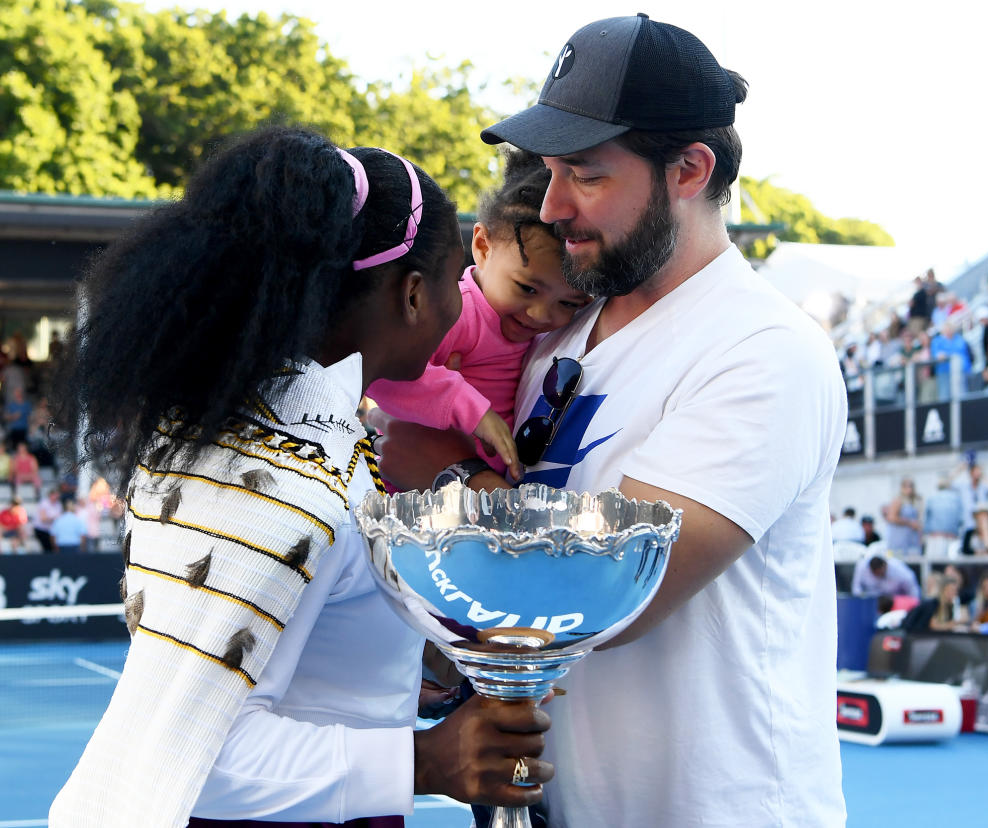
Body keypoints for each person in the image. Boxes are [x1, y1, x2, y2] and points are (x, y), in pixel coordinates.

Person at [381, 17, 847, 824]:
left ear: (689, 171)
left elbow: (616, 589)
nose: (554, 207)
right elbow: (408, 442)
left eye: (587, 176)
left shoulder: (763, 351)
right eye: (552, 172)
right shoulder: (549, 330)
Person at [50, 126, 550, 826]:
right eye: (449, 285)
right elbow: (197, 758)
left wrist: (433, 671)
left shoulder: (256, 428)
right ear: (411, 295)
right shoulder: (293, 473)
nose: (457, 308)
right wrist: (429, 761)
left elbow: (310, 660)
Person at [367, 150, 591, 481]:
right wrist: (469, 407)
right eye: (527, 288)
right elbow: (380, 373)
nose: (542, 315)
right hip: (412, 490)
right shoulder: (459, 311)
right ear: (483, 247)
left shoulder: (538, 333)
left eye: (569, 304)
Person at [882, 476, 923, 556]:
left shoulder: (914, 501)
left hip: (911, 542)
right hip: (898, 543)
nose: (909, 489)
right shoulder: (898, 500)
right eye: (906, 486)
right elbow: (891, 518)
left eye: (911, 486)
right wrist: (909, 523)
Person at [851, 554, 921, 600]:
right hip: (872, 601)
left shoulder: (899, 571)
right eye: (876, 574)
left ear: (885, 566)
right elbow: (856, 589)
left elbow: (913, 590)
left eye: (880, 573)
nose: (878, 575)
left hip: (895, 601)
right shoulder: (862, 567)